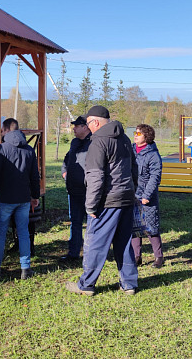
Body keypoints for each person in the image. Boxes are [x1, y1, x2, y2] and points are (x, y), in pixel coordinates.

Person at [65, 105, 139, 296]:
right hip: (126, 198)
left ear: (95, 122)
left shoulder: (98, 142)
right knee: (124, 242)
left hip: (107, 201)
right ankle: (129, 284)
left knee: (95, 244)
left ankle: (86, 285)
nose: (87, 127)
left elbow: (95, 177)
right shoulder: (124, 138)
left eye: (88, 123)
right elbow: (134, 169)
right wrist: (132, 190)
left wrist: (90, 205)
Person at [0, 118, 41, 280]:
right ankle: (25, 268)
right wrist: (35, 196)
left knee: (0, 233)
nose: (0, 133)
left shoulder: (0, 149)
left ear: (6, 130)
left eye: (1, 130)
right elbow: (35, 176)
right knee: (23, 232)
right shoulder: (29, 150)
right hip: (23, 199)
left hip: (4, 199)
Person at [131, 124, 164, 268]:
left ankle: (158, 257)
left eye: (138, 133)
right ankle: (136, 256)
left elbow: (155, 177)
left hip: (147, 196)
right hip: (132, 193)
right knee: (134, 227)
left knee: (151, 227)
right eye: (135, 132)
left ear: (146, 137)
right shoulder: (131, 150)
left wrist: (147, 195)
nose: (135, 135)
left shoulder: (153, 155)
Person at [60, 115, 92, 261]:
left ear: (85, 127)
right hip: (73, 191)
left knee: (92, 223)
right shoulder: (74, 143)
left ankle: (91, 254)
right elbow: (67, 160)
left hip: (89, 191)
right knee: (75, 222)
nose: (73, 128)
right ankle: (73, 253)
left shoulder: (94, 143)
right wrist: (64, 171)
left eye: (76, 126)